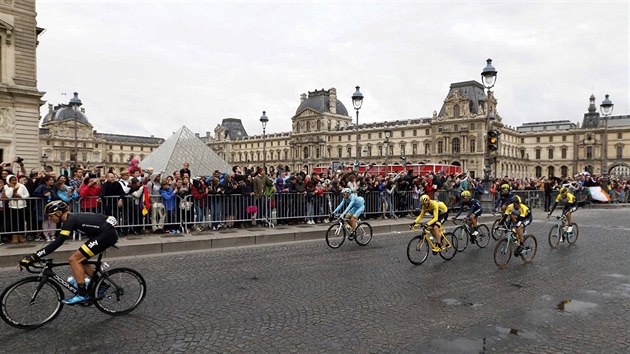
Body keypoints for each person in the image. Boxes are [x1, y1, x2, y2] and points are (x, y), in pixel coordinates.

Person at [18, 201, 119, 304]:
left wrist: (33, 257)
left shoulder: (70, 220)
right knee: (81, 259)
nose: (49, 218)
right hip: (104, 233)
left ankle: (82, 294)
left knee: (74, 259)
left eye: (50, 216)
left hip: (106, 235)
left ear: (58, 213)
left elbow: (57, 243)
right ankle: (101, 285)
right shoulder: (71, 218)